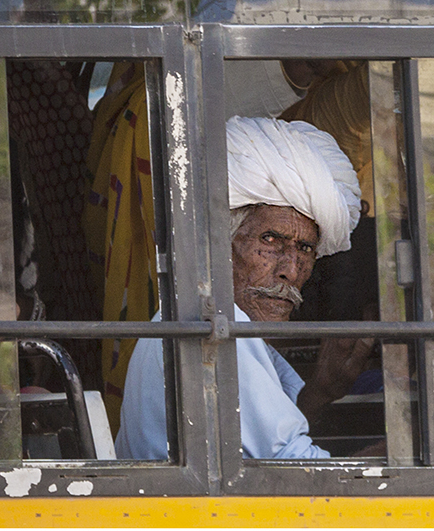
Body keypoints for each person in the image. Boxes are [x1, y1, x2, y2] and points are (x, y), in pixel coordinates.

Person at [114, 116, 377, 460]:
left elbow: (264, 451)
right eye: (270, 241)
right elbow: (302, 477)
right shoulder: (214, 325)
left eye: (306, 249)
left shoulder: (215, 323)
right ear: (219, 244)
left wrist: (320, 392)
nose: (290, 271)